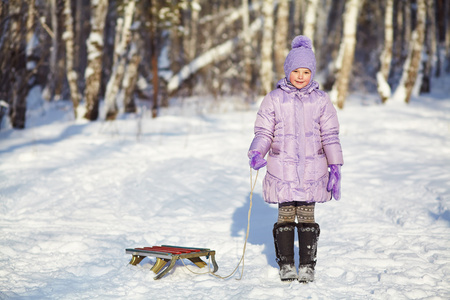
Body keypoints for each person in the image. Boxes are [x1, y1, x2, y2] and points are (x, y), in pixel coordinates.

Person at [248, 35, 343, 282]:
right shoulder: (274, 99)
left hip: (313, 170)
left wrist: (335, 165)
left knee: (307, 216)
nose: (301, 76)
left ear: (312, 73)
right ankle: (287, 264)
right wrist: (257, 151)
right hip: (283, 170)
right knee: (286, 215)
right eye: (296, 71)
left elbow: (330, 135)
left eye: (306, 71)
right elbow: (264, 131)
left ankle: (308, 265)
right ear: (288, 71)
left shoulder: (321, 101)